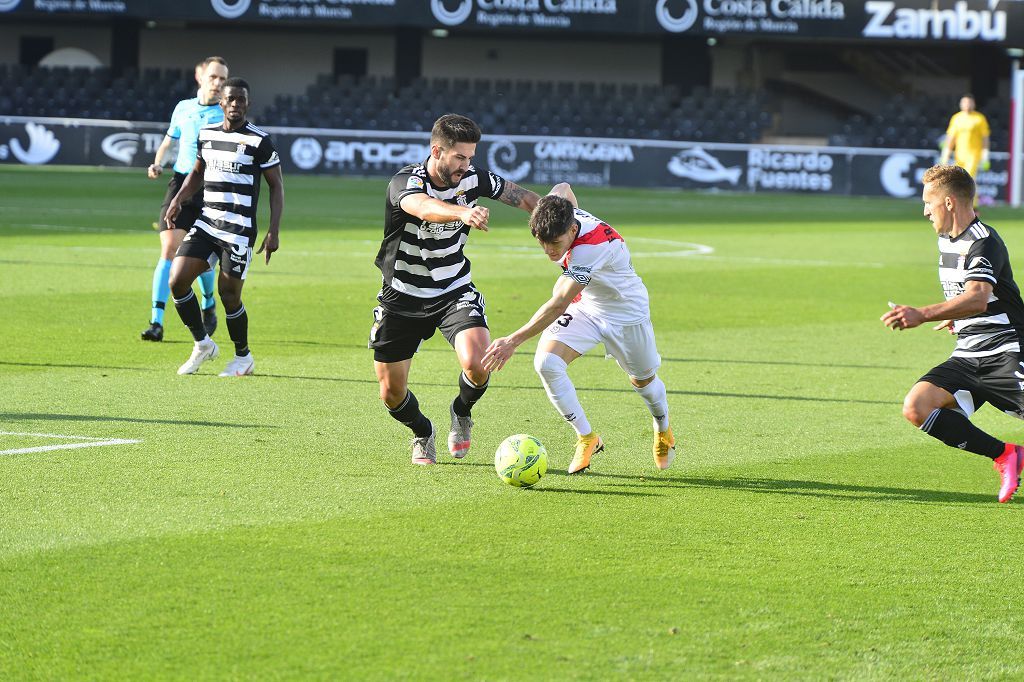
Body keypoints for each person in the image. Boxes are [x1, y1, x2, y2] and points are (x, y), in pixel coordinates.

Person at [371, 113, 539, 465]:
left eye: (471, 157)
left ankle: (462, 411)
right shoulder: (405, 182)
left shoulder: (473, 180)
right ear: (437, 151)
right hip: (402, 295)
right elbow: (423, 208)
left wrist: (567, 219)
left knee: (479, 363)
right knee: (390, 392)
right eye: (460, 157)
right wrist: (461, 214)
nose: (467, 165)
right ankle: (422, 431)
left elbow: (521, 197)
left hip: (453, 290)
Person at [482, 183, 675, 474]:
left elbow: (558, 302)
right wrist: (546, 204)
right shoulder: (561, 217)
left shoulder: (590, 248)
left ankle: (663, 430)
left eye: (555, 244)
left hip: (626, 314)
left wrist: (512, 340)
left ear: (573, 231)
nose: (549, 251)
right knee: (547, 363)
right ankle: (587, 437)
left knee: (644, 383)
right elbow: (563, 188)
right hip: (587, 308)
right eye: (542, 242)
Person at [881, 164, 1024, 503]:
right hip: (969, 353)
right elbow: (974, 299)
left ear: (948, 202)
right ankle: (1006, 455)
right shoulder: (946, 241)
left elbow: (976, 296)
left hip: (1006, 350)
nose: (924, 210)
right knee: (918, 406)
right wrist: (956, 319)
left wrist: (922, 314)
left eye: (928, 202)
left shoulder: (983, 241)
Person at [164, 77, 284, 377]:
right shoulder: (207, 134)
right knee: (177, 281)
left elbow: (276, 187)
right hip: (207, 222)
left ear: (247, 104)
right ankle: (203, 343)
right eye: (230, 99)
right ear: (222, 103)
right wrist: (178, 199)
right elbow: (197, 172)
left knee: (228, 295)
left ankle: (243, 357)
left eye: (241, 100)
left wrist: (273, 231)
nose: (235, 105)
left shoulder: (260, 141)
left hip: (239, 229)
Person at [141, 56, 229, 342]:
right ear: (200, 76)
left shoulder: (226, 113)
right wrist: (158, 163)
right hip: (180, 184)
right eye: (214, 77)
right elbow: (169, 141)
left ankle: (208, 302)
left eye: (222, 79)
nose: (218, 84)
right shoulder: (184, 108)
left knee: (199, 259)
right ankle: (156, 322)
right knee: (169, 249)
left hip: (210, 188)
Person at [940, 94, 990, 189]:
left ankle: (972, 203)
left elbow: (985, 138)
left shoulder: (980, 118)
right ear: (961, 104)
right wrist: (945, 155)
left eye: (969, 102)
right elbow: (951, 137)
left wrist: (985, 156)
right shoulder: (956, 118)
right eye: (965, 102)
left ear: (974, 104)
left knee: (969, 178)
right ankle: (963, 202)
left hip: (974, 155)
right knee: (959, 180)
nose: (967, 104)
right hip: (959, 155)